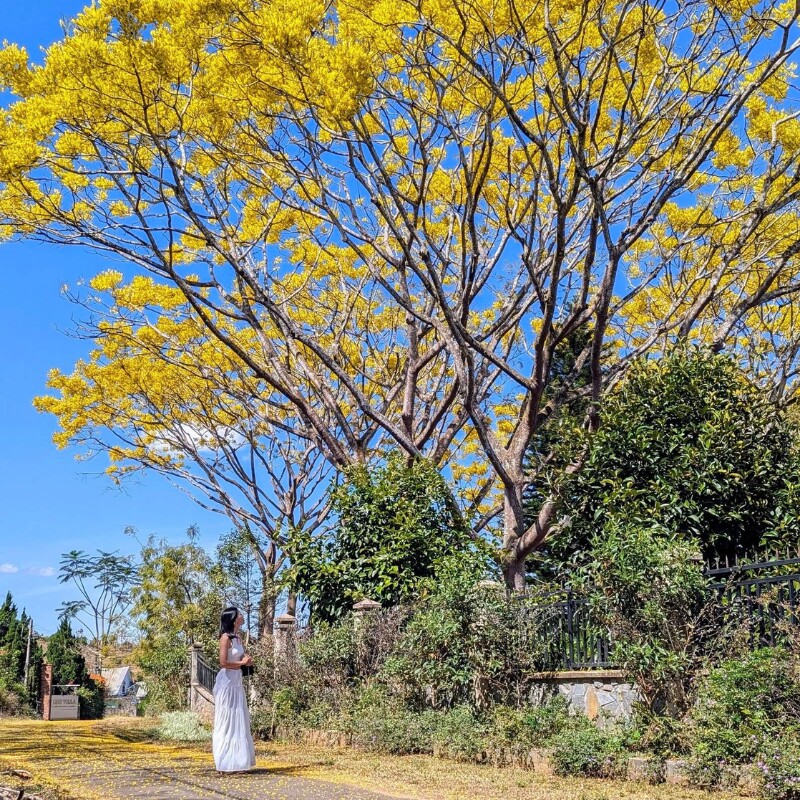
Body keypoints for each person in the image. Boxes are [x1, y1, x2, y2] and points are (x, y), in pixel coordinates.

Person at [212, 606, 256, 773]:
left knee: (239, 718)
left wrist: (246, 661)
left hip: (237, 682)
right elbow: (223, 663)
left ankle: (237, 762)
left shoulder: (238, 637)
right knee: (227, 719)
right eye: (239, 614)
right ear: (233, 619)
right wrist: (241, 664)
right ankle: (224, 762)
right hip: (227, 683)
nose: (242, 616)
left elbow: (238, 659)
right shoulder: (225, 638)